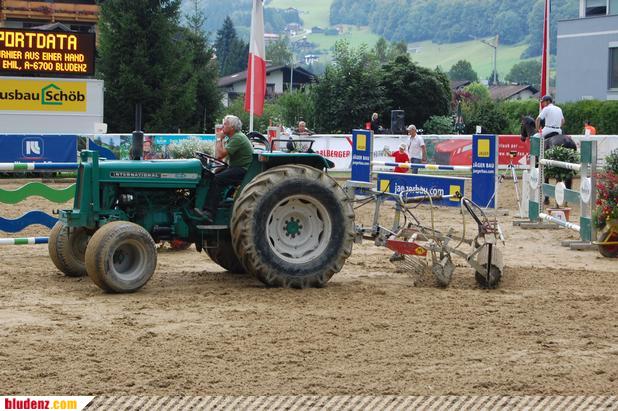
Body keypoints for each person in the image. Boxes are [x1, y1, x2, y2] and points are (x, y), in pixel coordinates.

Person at [195, 114, 253, 221]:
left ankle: (209, 213)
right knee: (210, 175)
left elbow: (220, 155)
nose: (222, 126)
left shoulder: (238, 138)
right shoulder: (232, 138)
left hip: (243, 170)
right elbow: (221, 158)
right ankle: (212, 203)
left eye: (225, 124)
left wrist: (218, 139)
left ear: (232, 127)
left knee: (218, 179)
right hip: (236, 167)